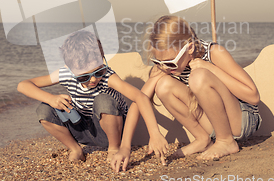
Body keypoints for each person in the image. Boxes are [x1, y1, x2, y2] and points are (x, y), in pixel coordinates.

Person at [111, 15, 261, 172]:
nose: (166, 67)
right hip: (214, 124)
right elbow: (140, 100)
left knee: (198, 76)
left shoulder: (214, 52)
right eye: (159, 62)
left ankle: (226, 141)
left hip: (242, 119)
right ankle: (203, 139)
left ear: (189, 48)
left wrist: (211, 68)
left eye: (170, 62)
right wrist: (125, 147)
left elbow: (253, 96)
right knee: (162, 85)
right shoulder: (166, 65)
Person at [18, 30, 169, 164]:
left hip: (108, 130)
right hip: (80, 129)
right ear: (70, 70)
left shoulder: (108, 76)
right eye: (84, 77)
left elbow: (140, 97)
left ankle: (113, 148)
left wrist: (154, 133)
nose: (93, 80)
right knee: (44, 110)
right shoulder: (65, 74)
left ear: (102, 59)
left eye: (98, 72)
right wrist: (50, 98)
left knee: (103, 100)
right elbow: (23, 85)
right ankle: (75, 149)